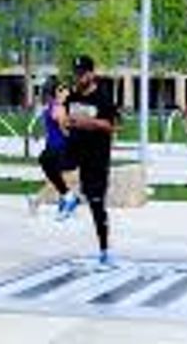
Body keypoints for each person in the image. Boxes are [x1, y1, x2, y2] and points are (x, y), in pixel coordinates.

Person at [65, 55, 120, 266]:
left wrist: (89, 123)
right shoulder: (72, 96)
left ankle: (105, 251)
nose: (78, 78)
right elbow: (64, 118)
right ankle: (69, 198)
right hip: (74, 151)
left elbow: (112, 126)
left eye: (82, 74)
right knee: (50, 161)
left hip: (96, 157)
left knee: (96, 204)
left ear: (91, 74)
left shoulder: (103, 98)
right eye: (76, 74)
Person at [29, 79, 79, 218]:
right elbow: (65, 130)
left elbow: (48, 126)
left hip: (54, 147)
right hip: (60, 148)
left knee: (58, 176)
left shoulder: (51, 106)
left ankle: (65, 202)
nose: (67, 93)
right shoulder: (59, 108)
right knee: (58, 176)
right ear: (56, 93)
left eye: (67, 90)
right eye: (63, 90)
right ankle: (67, 201)